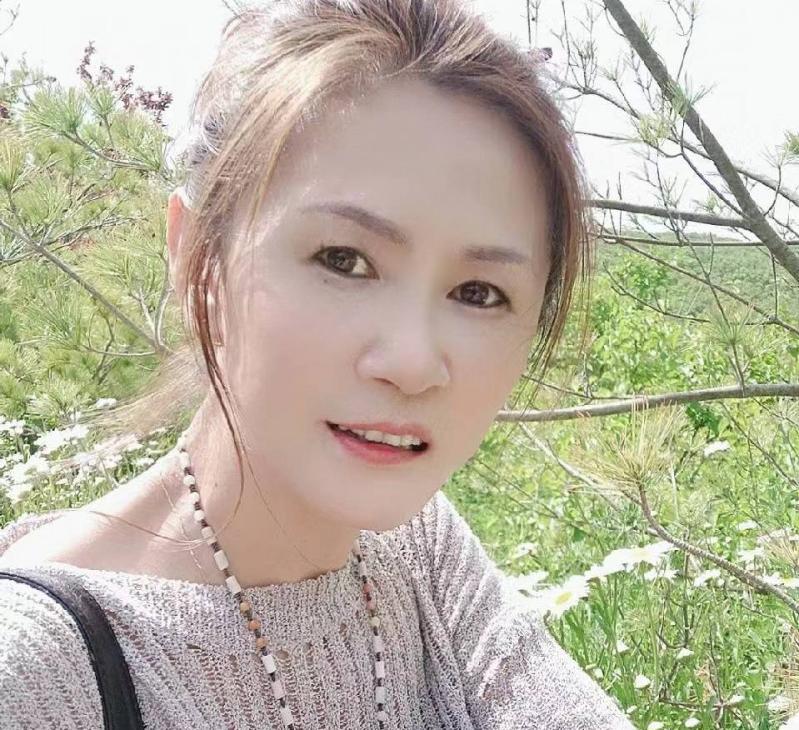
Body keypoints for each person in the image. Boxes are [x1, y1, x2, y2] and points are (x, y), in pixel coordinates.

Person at [0, 0, 636, 728]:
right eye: (344, 260)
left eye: (478, 293)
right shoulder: (39, 673)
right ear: (195, 253)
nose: (412, 363)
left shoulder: (418, 558)